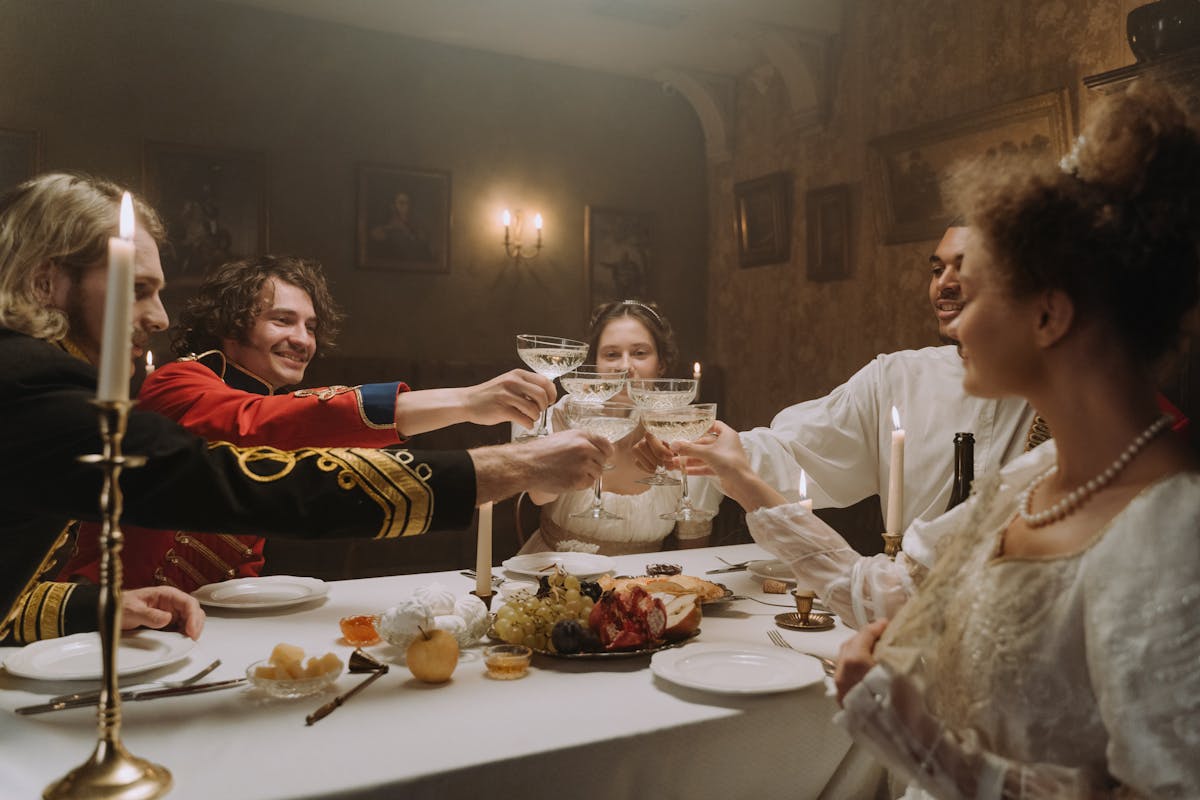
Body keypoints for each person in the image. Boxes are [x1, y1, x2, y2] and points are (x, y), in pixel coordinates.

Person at [0, 172, 611, 645]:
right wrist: (496, 451)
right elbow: (254, 458)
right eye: (139, 290)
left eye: (311, 325)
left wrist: (101, 607)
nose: (159, 317)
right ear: (45, 284)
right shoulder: (141, 382)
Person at [825, 84, 1200, 796]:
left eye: (976, 290)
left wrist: (924, 746)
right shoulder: (1025, 481)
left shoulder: (1172, 531)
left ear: (1049, 315)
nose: (956, 319)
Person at [58, 254, 561, 591]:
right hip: (105, 620)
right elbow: (261, 424)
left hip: (204, 623)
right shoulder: (176, 383)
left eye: (311, 327)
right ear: (232, 324)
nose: (303, 339)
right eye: (282, 320)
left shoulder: (279, 401)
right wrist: (469, 401)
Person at [637, 224, 1037, 625]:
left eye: (963, 269)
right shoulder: (896, 378)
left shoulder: (1056, 394)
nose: (943, 284)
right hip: (913, 618)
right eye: (937, 270)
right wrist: (720, 448)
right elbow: (802, 450)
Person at [521, 299, 719, 555]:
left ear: (661, 364)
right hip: (556, 576)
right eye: (611, 354)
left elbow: (694, 546)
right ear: (596, 364)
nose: (625, 367)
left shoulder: (683, 430)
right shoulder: (566, 413)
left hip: (646, 585)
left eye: (639, 353)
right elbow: (538, 495)